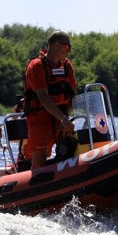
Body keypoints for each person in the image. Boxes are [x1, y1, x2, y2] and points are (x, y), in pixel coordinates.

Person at [23, 30, 77, 169]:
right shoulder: (36, 66)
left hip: (61, 116)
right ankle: (34, 184)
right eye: (67, 47)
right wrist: (63, 119)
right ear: (56, 46)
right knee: (40, 158)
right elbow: (43, 97)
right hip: (40, 118)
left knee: (68, 149)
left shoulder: (67, 66)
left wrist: (65, 117)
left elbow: (73, 96)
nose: (69, 51)